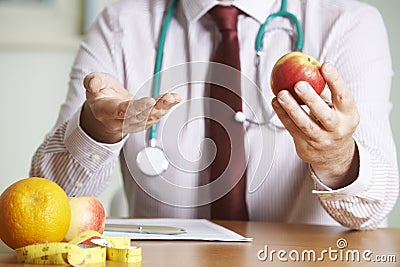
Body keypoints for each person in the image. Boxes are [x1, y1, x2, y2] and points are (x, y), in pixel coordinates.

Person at [30, 0, 398, 230]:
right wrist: (96, 131)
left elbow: (371, 210)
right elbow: (48, 205)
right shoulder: (120, 26)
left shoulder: (348, 23)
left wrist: (337, 158)